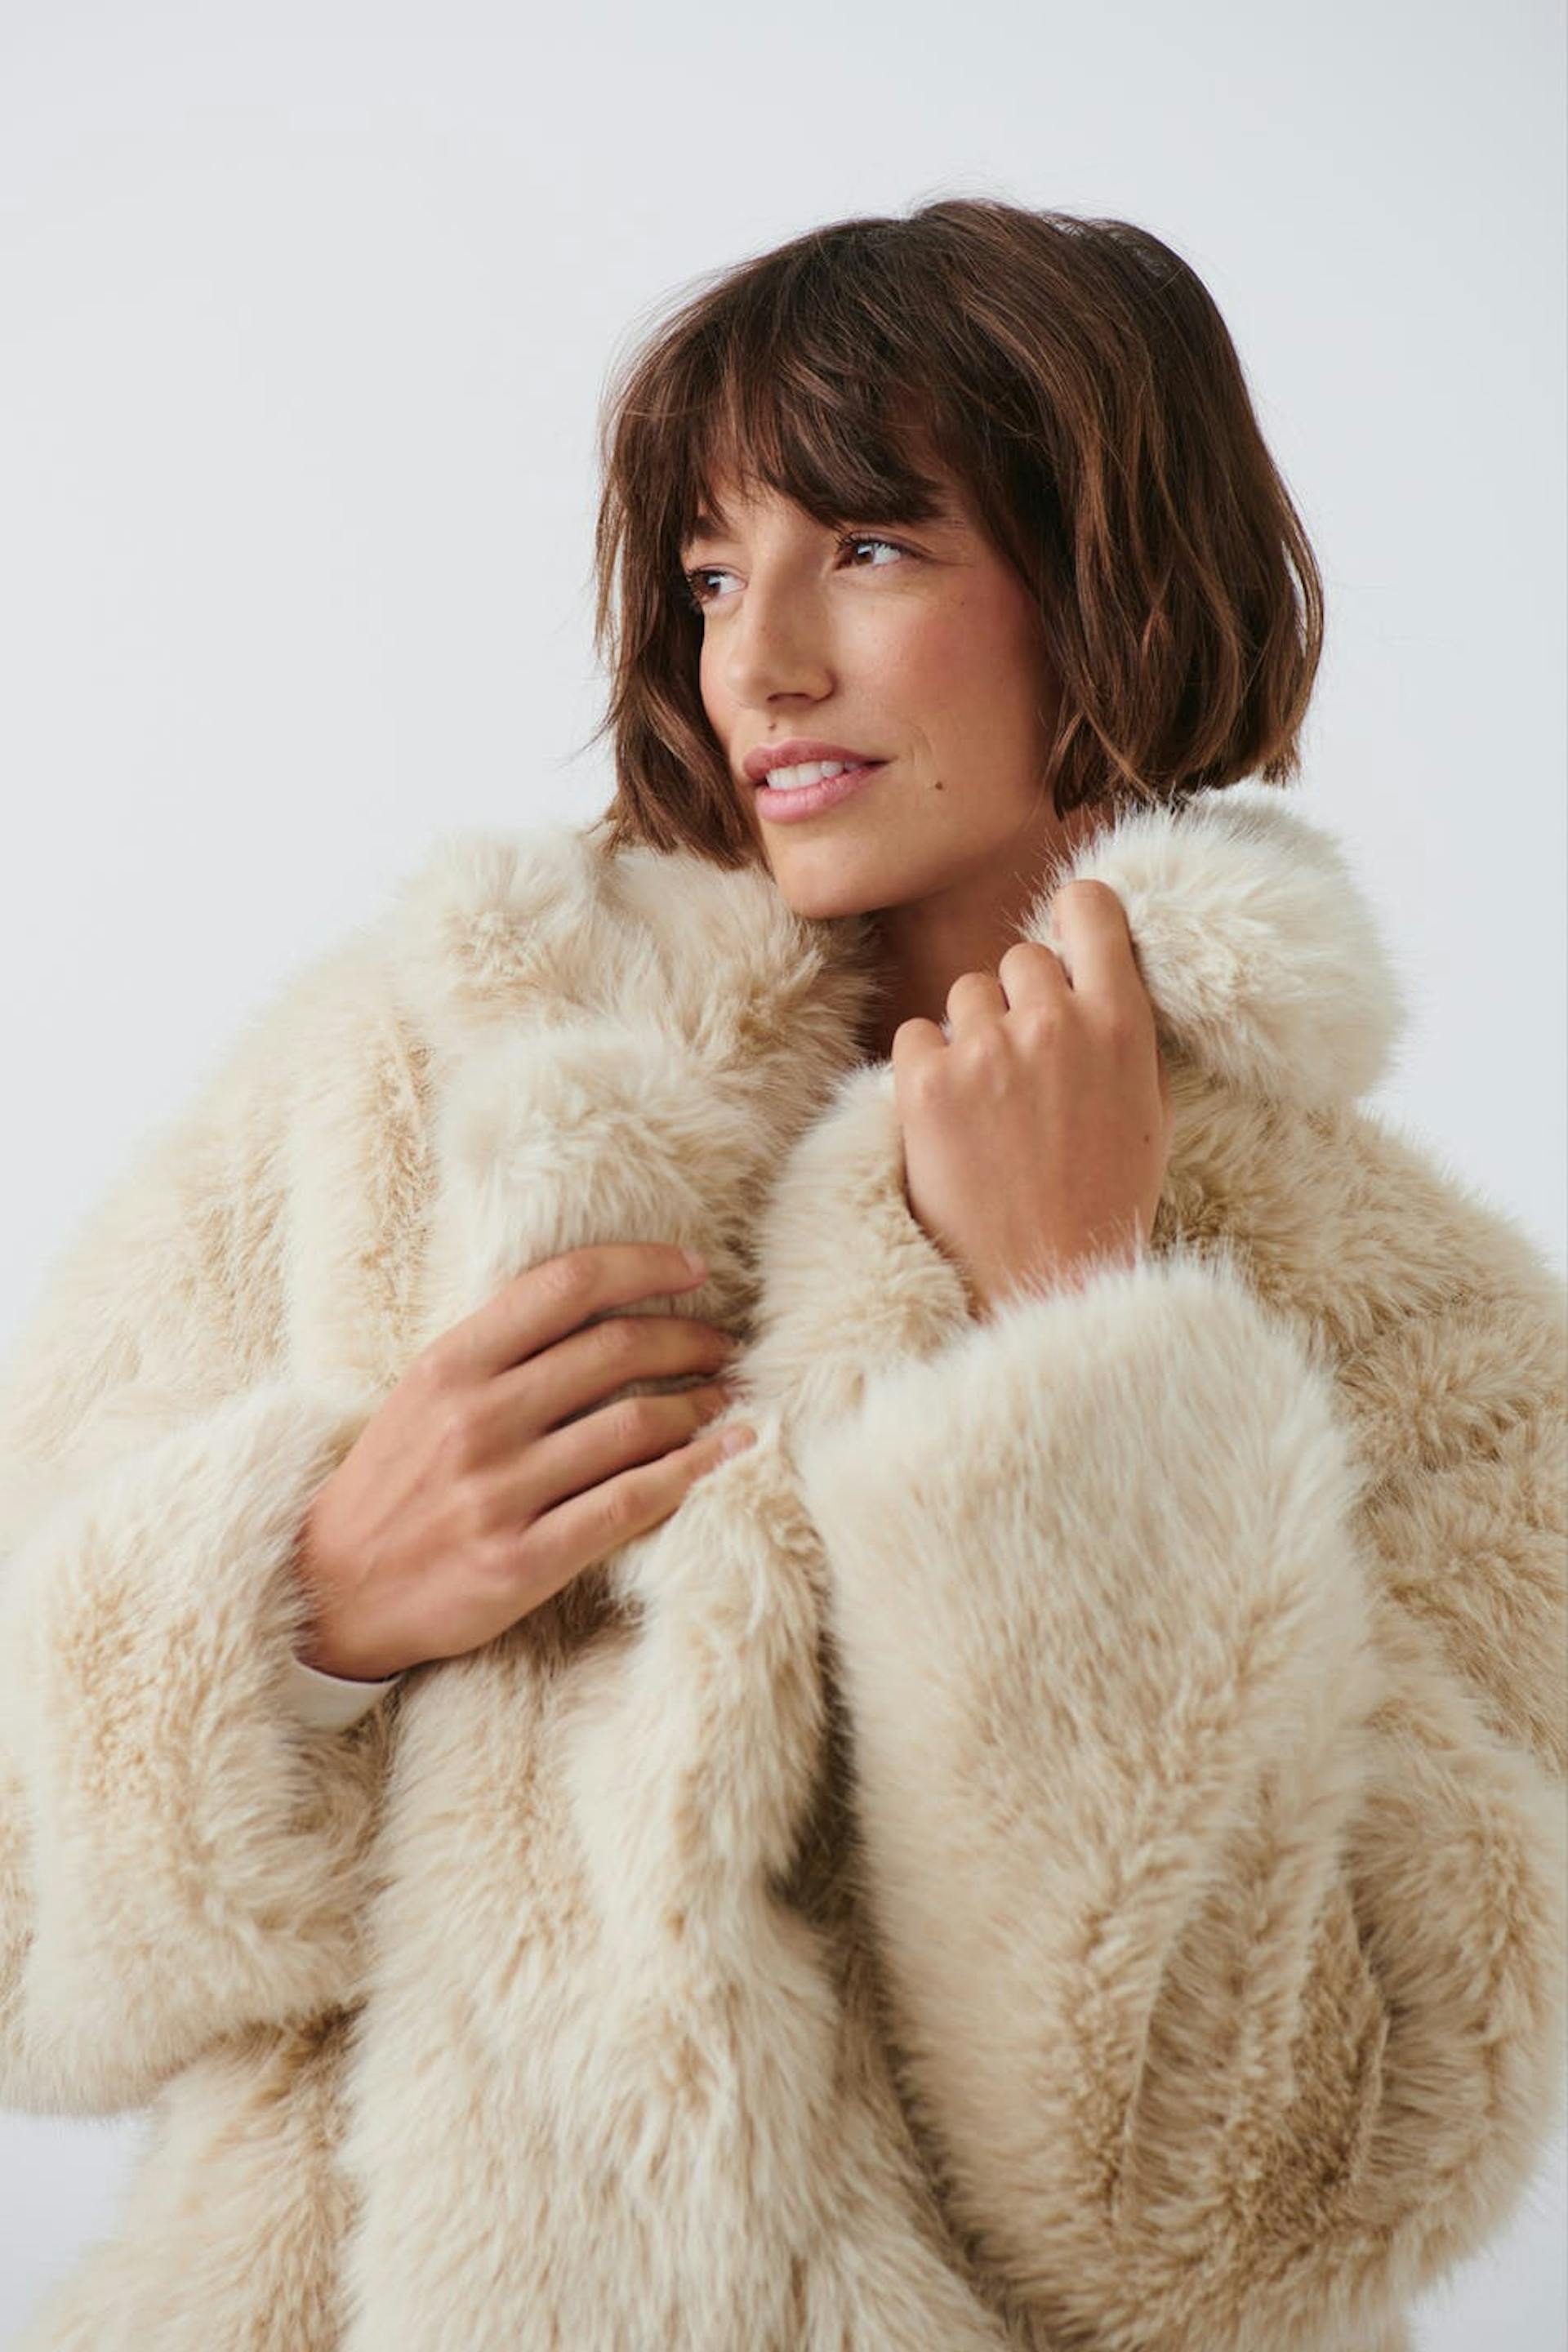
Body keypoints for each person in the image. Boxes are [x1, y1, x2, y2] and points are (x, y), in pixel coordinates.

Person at [2, 197, 1562, 2352]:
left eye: (876, 546)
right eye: (715, 573)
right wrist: (304, 1609)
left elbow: (1258, 2207)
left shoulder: (1434, 1338)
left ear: (1110, 583)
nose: (761, 662)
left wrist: (1082, 1339)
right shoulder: (431, 1073)